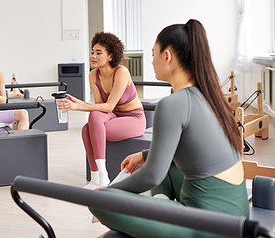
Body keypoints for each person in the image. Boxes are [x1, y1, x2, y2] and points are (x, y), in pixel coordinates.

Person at [89, 19, 249, 238]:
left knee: (99, 202)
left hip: (208, 226)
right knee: (164, 166)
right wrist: (145, 155)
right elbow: (190, 147)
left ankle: (160, 212)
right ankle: (161, 205)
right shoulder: (207, 94)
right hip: (237, 213)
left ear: (167, 56)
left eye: (153, 54)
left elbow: (152, 176)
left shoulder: (172, 104)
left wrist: (108, 192)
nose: (151, 61)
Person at [59, 32, 146, 189]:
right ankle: (95, 178)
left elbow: (109, 106)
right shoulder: (93, 75)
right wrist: (80, 103)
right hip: (113, 117)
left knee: (91, 126)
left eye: (98, 53)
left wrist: (79, 106)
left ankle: (103, 176)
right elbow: (100, 109)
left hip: (134, 118)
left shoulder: (121, 72)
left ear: (110, 56)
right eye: (92, 52)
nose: (93, 56)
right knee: (87, 127)